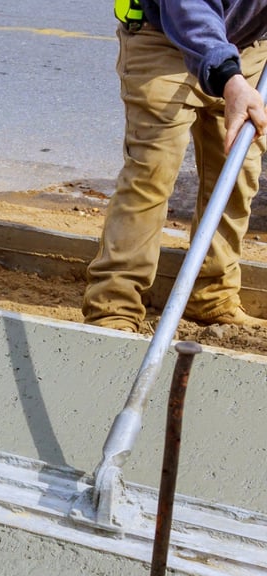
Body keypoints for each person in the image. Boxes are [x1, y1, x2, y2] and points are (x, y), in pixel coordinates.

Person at [82, 0, 267, 332]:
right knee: (152, 172)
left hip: (248, 49)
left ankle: (213, 294)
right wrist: (228, 75)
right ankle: (115, 306)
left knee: (238, 171)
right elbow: (188, 9)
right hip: (165, 40)